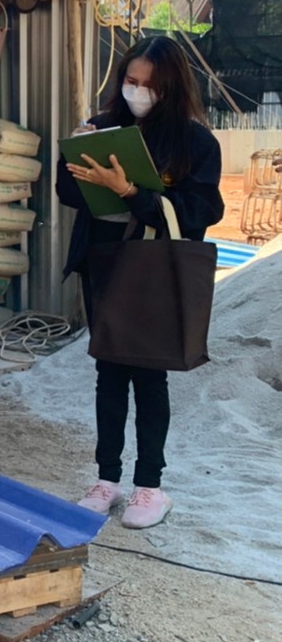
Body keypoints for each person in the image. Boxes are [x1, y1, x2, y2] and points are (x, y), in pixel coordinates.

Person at [58, 36, 223, 529]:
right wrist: (76, 151)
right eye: (131, 81)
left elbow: (199, 212)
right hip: (103, 263)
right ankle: (106, 479)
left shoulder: (195, 143)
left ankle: (150, 486)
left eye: (150, 85)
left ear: (171, 87)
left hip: (154, 269)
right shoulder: (105, 127)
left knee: (149, 375)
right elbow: (68, 192)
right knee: (108, 371)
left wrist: (130, 191)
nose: (138, 91)